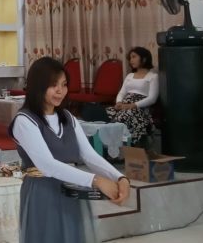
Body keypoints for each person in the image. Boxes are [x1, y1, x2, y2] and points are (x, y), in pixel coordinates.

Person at [9, 57, 130, 243]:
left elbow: (88, 155)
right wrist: (95, 180)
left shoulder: (67, 117)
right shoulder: (25, 120)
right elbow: (47, 166)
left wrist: (119, 177)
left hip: (71, 187)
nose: (60, 90)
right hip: (43, 191)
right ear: (37, 86)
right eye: (53, 85)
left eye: (64, 84)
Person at [106, 47, 158, 144]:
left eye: (134, 57)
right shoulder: (129, 76)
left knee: (125, 115)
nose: (131, 60)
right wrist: (119, 102)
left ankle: (120, 144)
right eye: (130, 58)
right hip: (124, 106)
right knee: (105, 112)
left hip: (140, 109)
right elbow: (122, 92)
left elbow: (152, 99)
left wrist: (133, 105)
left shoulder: (153, 76)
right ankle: (109, 144)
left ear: (144, 59)